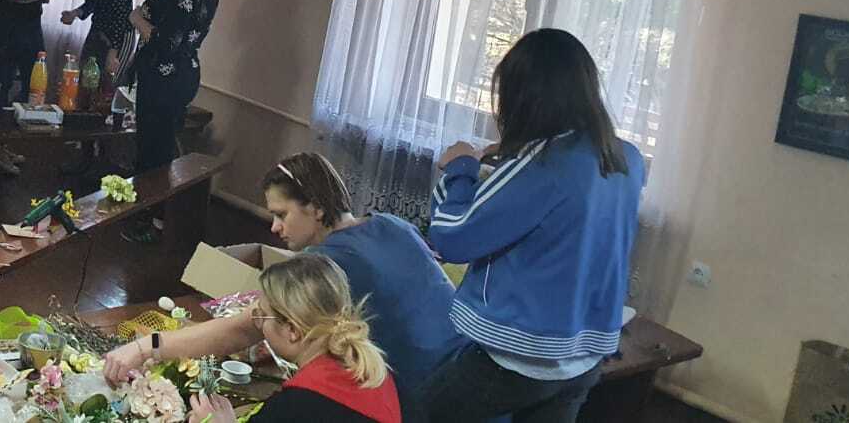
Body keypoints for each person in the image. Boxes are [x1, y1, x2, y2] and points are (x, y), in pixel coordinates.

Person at [104, 153, 463, 421]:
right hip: (464, 370)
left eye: (281, 214)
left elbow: (243, 327)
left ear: (316, 209)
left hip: (422, 398)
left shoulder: (326, 265)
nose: (274, 227)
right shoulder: (392, 224)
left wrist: (146, 346)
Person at [419, 29, 646, 423]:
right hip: (583, 356)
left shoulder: (542, 164)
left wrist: (461, 167)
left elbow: (452, 236)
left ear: (526, 97)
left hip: (521, 356)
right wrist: (514, 158)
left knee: (416, 413)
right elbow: (564, 218)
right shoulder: (627, 157)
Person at [184, 253, 401, 423]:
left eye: (262, 316)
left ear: (293, 330)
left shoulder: (295, 405)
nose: (259, 325)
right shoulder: (373, 368)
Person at [124, 0, 219, 243]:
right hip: (184, 74)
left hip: (164, 78)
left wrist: (137, 18)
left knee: (154, 152)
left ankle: (151, 220)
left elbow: (165, 42)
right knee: (162, 146)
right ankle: (156, 217)